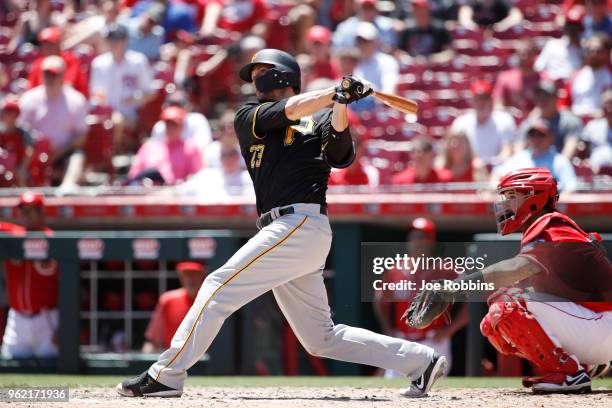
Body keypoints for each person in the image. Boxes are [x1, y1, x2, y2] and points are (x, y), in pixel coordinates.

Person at [117, 48, 446, 399]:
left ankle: (167, 374)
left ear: (284, 75)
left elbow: (340, 155)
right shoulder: (249, 115)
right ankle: (420, 361)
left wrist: (340, 104)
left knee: (217, 286)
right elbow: (289, 110)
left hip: (300, 223)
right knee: (320, 338)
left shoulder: (318, 119)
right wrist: (334, 92)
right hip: (287, 230)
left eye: (261, 70)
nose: (255, 79)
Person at [404, 168, 612, 393]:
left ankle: (570, 373)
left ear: (536, 197)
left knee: (506, 303)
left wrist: (455, 288)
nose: (506, 204)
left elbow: (516, 268)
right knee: (493, 323)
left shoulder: (552, 226)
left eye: (513, 196)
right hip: (596, 324)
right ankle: (584, 365)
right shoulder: (548, 228)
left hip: (603, 324)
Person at [373, 218, 468, 378]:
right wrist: (388, 330)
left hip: (434, 341)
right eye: (412, 237)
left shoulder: (446, 269)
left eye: (421, 237)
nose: (416, 242)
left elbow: (473, 299)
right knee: (391, 387)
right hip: (403, 340)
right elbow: (380, 300)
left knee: (430, 387)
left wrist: (450, 330)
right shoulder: (395, 270)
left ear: (431, 242)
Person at [0, 192, 59, 359]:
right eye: (21, 210)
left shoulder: (53, 241)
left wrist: (63, 326)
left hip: (47, 318)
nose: (23, 215)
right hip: (17, 319)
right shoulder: (12, 234)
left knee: (53, 371)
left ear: (41, 212)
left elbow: (68, 287)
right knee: (10, 367)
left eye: (29, 210)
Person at [19, 56, 88, 188]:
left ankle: (68, 188)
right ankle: (22, 191)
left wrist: (59, 151)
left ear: (63, 76)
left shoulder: (76, 100)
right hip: (33, 153)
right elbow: (20, 131)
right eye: (47, 74)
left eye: (54, 75)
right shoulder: (28, 99)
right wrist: (34, 149)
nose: (50, 79)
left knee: (77, 156)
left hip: (63, 153)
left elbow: (81, 136)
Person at [89, 23, 153, 148]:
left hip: (131, 113)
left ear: (125, 41)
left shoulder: (138, 61)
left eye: (117, 39)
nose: (113, 43)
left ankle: (113, 153)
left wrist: (134, 98)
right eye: (110, 39)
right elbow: (95, 93)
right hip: (105, 112)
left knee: (117, 120)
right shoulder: (99, 63)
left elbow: (149, 92)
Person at [128, 106, 204, 185]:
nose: (170, 128)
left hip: (176, 194)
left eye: (174, 125)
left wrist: (183, 184)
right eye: (168, 124)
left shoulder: (190, 148)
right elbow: (133, 175)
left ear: (182, 126)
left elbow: (198, 177)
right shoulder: (149, 148)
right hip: (148, 194)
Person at [494, 120, 577, 192]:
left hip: (549, 207)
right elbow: (497, 177)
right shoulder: (519, 158)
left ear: (551, 138)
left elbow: (570, 187)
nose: (536, 140)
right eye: (532, 135)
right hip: (520, 206)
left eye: (541, 135)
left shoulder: (560, 161)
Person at [143, 262, 207, 352]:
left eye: (194, 274)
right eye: (186, 274)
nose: (190, 278)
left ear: (202, 275)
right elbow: (154, 339)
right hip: (173, 358)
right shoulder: (168, 300)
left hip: (202, 356)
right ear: (181, 276)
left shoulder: (209, 300)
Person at [450, 79, 516, 166]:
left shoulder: (504, 120)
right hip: (470, 169)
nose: (481, 103)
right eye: (478, 99)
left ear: (491, 101)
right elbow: (454, 152)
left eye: (485, 99)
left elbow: (508, 150)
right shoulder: (461, 123)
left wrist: (493, 165)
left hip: (498, 169)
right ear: (472, 101)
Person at [517, 79, 583, 160]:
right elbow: (518, 151)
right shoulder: (529, 124)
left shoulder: (569, 121)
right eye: (538, 96)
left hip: (557, 169)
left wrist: (557, 168)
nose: (542, 100)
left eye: (546, 96)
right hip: (533, 168)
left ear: (556, 97)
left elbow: (569, 150)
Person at [27, 27, 89, 97]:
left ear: (58, 44)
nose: (47, 47)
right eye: (44, 44)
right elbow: (31, 91)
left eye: (51, 44)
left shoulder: (70, 59)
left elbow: (68, 87)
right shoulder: (37, 64)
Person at [560, 33, 611, 117]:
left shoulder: (609, 74)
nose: (593, 54)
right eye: (590, 50)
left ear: (607, 52)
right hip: (576, 122)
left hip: (604, 122)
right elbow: (564, 104)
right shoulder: (575, 76)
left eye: (598, 51)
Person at [534, 6, 585, 81]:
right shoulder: (552, 45)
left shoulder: (584, 49)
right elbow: (538, 68)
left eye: (576, 26)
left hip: (573, 86)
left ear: (581, 29)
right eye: (569, 25)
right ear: (565, 27)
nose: (572, 29)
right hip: (553, 85)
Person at [493, 39, 542, 114]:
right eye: (521, 53)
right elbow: (497, 105)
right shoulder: (505, 77)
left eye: (528, 52)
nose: (524, 57)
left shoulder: (544, 80)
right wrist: (510, 112)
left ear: (535, 54)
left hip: (538, 123)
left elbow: (550, 107)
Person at [332, 0, 398, 50]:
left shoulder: (387, 25)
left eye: (370, 8)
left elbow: (390, 47)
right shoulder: (345, 27)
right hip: (353, 62)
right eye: (365, 8)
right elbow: (338, 50)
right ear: (357, 9)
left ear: (376, 10)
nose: (368, 12)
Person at [0, 96, 32, 187]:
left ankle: (24, 196)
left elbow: (29, 151)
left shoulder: (22, 132)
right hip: (4, 166)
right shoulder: (1, 133)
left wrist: (22, 167)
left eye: (10, 112)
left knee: (22, 176)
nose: (6, 115)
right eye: (5, 112)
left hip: (20, 166)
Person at [581, 88, 612, 172]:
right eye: (606, 105)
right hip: (595, 173)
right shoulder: (592, 126)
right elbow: (582, 150)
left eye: (611, 104)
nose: (609, 109)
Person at [458, 0, 523, 32]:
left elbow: (517, 16)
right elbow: (464, 18)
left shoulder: (502, 2)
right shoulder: (472, 2)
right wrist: (475, 28)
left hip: (500, 34)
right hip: (478, 35)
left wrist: (503, 25)